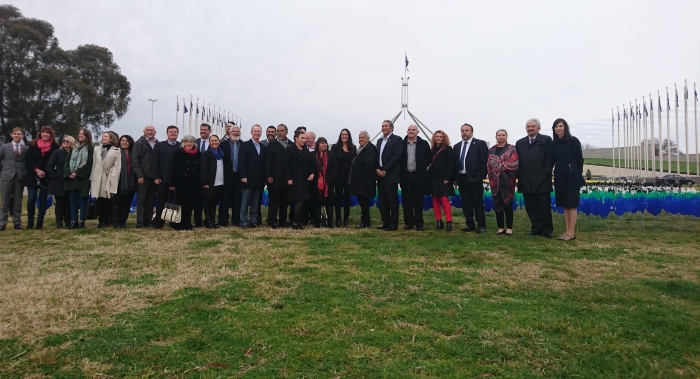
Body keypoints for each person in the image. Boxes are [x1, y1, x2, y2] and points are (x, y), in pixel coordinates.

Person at [515, 118, 554, 238]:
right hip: (526, 180)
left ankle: (547, 229)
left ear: (538, 128)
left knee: (544, 206)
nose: (530, 129)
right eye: (528, 127)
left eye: (533, 126)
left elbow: (550, 157)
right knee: (531, 206)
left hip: (542, 180)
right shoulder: (520, 143)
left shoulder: (546, 140)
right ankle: (536, 228)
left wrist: (546, 172)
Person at [552, 118, 585, 241]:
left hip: (572, 178)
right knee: (565, 205)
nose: (558, 128)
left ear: (565, 127)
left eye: (561, 126)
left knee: (571, 205)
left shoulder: (573, 141)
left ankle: (571, 233)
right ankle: (566, 231)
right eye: (556, 126)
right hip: (560, 177)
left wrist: (576, 173)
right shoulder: (554, 143)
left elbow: (579, 160)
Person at [453, 123, 489, 233]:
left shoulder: (479, 144)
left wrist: (481, 175)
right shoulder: (457, 146)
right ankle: (469, 224)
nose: (464, 132)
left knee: (477, 202)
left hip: (475, 178)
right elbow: (455, 163)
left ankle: (481, 225)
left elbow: (484, 161)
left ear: (472, 132)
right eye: (462, 131)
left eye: (467, 130)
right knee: (466, 202)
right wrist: (455, 178)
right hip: (462, 178)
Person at [24, 126, 59, 229]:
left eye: (47, 133)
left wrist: (45, 171)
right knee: (31, 199)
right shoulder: (33, 144)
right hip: (33, 176)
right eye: (43, 132)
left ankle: (40, 222)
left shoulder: (55, 146)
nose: (45, 134)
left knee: (43, 199)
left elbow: (54, 161)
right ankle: (30, 222)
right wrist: (37, 170)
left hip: (46, 177)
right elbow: (28, 160)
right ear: (40, 133)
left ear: (51, 134)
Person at [487, 129, 519, 236]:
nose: (501, 137)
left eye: (503, 135)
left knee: (507, 203)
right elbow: (489, 164)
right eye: (499, 135)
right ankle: (500, 227)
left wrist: (498, 164)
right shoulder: (491, 150)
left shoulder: (511, 149)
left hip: (507, 180)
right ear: (496, 137)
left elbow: (514, 163)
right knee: (497, 203)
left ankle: (509, 227)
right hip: (494, 182)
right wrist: (496, 165)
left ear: (506, 136)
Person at [400, 124, 431, 231]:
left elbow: (428, 159)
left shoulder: (424, 144)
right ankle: (408, 222)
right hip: (406, 176)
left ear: (418, 132)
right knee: (406, 201)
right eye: (409, 129)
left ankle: (419, 223)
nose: (411, 131)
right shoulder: (402, 143)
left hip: (419, 176)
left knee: (419, 201)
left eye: (413, 130)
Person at [284, 130, 316, 230]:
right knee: (300, 200)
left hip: (305, 179)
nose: (304, 140)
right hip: (294, 179)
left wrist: (312, 173)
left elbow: (310, 164)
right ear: (296, 138)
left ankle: (298, 221)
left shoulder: (306, 150)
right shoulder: (290, 149)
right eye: (302, 138)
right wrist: (288, 178)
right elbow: (286, 165)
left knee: (303, 200)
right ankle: (296, 222)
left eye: (305, 138)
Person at [375, 120, 403, 231]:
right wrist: (377, 169)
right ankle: (385, 222)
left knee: (392, 201)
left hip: (391, 175)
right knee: (382, 201)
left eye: (386, 126)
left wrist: (385, 170)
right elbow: (377, 156)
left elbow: (396, 157)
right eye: (382, 126)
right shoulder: (379, 141)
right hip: (380, 175)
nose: (384, 128)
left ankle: (393, 223)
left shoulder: (397, 139)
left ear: (391, 128)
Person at [64, 128, 94, 229]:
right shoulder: (74, 148)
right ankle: (73, 221)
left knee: (82, 200)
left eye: (83, 134)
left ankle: (82, 221)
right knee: (72, 199)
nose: (80, 135)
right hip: (71, 178)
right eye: (79, 133)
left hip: (82, 178)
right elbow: (67, 161)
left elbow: (89, 164)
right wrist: (69, 173)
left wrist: (77, 173)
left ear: (87, 136)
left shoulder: (90, 148)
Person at [169, 135, 201, 230]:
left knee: (189, 205)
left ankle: (187, 223)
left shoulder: (198, 154)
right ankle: (178, 224)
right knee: (180, 204)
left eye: (191, 142)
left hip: (193, 183)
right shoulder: (177, 153)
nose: (189, 143)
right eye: (186, 142)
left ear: (194, 143)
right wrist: (172, 183)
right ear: (183, 143)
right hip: (180, 183)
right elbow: (173, 169)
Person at [151, 125, 180, 229]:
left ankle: (173, 222)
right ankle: (158, 222)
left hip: (176, 180)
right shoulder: (159, 145)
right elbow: (155, 162)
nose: (173, 133)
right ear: (167, 133)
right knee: (161, 201)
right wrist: (156, 176)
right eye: (171, 132)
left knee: (175, 202)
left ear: (178, 134)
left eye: (175, 132)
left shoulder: (181, 146)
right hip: (162, 179)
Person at [90, 131, 121, 228]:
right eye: (102, 136)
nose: (103, 137)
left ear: (111, 138)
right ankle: (100, 220)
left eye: (106, 136)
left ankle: (106, 220)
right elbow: (93, 164)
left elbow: (117, 166)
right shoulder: (96, 149)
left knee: (107, 200)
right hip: (97, 177)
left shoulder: (116, 150)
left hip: (108, 177)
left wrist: (112, 175)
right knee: (99, 200)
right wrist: (91, 178)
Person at [0, 127, 28, 231]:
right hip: (7, 176)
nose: (17, 135)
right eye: (15, 134)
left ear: (22, 136)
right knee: (5, 201)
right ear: (12, 135)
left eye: (19, 134)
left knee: (18, 201)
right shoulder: (4, 147)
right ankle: (2, 222)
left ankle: (17, 222)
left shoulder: (25, 149)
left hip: (19, 177)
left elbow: (27, 163)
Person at [239, 124, 266, 229]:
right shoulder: (245, 145)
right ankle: (243, 221)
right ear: (251, 132)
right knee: (245, 202)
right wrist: (243, 176)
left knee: (255, 203)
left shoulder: (263, 147)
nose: (257, 133)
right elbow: (242, 162)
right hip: (247, 179)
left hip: (259, 179)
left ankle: (253, 221)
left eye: (259, 131)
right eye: (255, 131)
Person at [428, 130, 455, 232]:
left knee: (444, 199)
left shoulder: (448, 149)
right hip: (434, 178)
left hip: (444, 178)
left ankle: (449, 222)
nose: (438, 138)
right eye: (437, 136)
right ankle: (438, 221)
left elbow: (451, 164)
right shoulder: (432, 149)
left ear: (444, 138)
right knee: (435, 200)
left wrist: (448, 178)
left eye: (441, 137)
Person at [349, 130, 377, 229]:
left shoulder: (370, 149)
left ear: (368, 139)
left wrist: (357, 174)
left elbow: (368, 166)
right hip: (360, 181)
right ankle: (365, 220)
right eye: (360, 138)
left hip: (365, 181)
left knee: (364, 203)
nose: (361, 139)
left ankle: (365, 221)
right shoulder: (361, 149)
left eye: (363, 138)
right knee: (362, 202)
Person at [265, 123, 290, 228]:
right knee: (274, 201)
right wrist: (268, 175)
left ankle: (283, 220)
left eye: (281, 131)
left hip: (286, 179)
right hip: (274, 178)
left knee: (284, 201)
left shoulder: (291, 144)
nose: (279, 133)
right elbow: (267, 162)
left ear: (286, 132)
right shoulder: (272, 145)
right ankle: (272, 220)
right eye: (278, 131)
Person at [132, 125, 158, 228]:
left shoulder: (157, 144)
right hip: (143, 176)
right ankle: (140, 222)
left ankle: (148, 221)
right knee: (142, 200)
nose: (150, 132)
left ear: (155, 132)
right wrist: (139, 175)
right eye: (148, 130)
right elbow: (135, 160)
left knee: (151, 200)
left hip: (154, 177)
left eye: (152, 130)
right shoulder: (139, 143)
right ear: (144, 131)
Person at [47, 135, 74, 229]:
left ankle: (68, 221)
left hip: (70, 181)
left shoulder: (74, 153)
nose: (65, 142)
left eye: (68, 141)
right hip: (59, 182)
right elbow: (49, 167)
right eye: (64, 141)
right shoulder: (57, 152)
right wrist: (56, 176)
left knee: (69, 203)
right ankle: (59, 222)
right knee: (60, 203)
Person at [330, 128, 356, 227]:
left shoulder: (353, 147)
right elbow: (332, 162)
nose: (344, 136)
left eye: (346, 134)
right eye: (342, 134)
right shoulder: (335, 147)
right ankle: (338, 219)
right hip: (338, 176)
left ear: (348, 136)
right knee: (338, 197)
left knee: (347, 198)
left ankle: (346, 220)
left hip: (349, 177)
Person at [219, 123, 242, 227]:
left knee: (237, 200)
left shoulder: (244, 145)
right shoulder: (223, 145)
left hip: (239, 177)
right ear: (229, 132)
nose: (236, 133)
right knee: (225, 200)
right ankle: (223, 221)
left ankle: (236, 220)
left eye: (237, 131)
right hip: (226, 177)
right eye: (234, 131)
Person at [200, 135, 225, 229]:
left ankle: (213, 219)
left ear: (219, 142)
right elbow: (203, 169)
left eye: (216, 140)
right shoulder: (206, 154)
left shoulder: (222, 154)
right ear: (209, 142)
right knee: (208, 202)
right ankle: (208, 220)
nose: (214, 142)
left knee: (214, 202)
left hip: (220, 182)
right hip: (209, 182)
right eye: (212, 141)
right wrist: (204, 182)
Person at [114, 135, 136, 229]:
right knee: (119, 203)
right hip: (119, 182)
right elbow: (107, 165)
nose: (124, 142)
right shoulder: (116, 152)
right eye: (122, 140)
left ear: (130, 142)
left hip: (131, 182)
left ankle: (123, 221)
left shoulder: (133, 153)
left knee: (127, 203)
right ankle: (117, 222)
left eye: (126, 141)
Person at [313, 137, 336, 228]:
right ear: (318, 145)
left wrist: (330, 180)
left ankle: (330, 223)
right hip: (316, 183)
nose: (324, 145)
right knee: (317, 204)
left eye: (325, 143)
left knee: (329, 203)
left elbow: (334, 168)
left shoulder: (331, 155)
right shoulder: (313, 155)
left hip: (328, 183)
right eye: (322, 143)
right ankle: (317, 223)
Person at [194, 123, 212, 227]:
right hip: (196, 176)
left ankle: (208, 219)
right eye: (201, 129)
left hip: (209, 177)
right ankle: (197, 220)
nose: (203, 131)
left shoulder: (213, 143)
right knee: (197, 200)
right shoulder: (195, 142)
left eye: (205, 129)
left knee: (208, 200)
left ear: (210, 131)